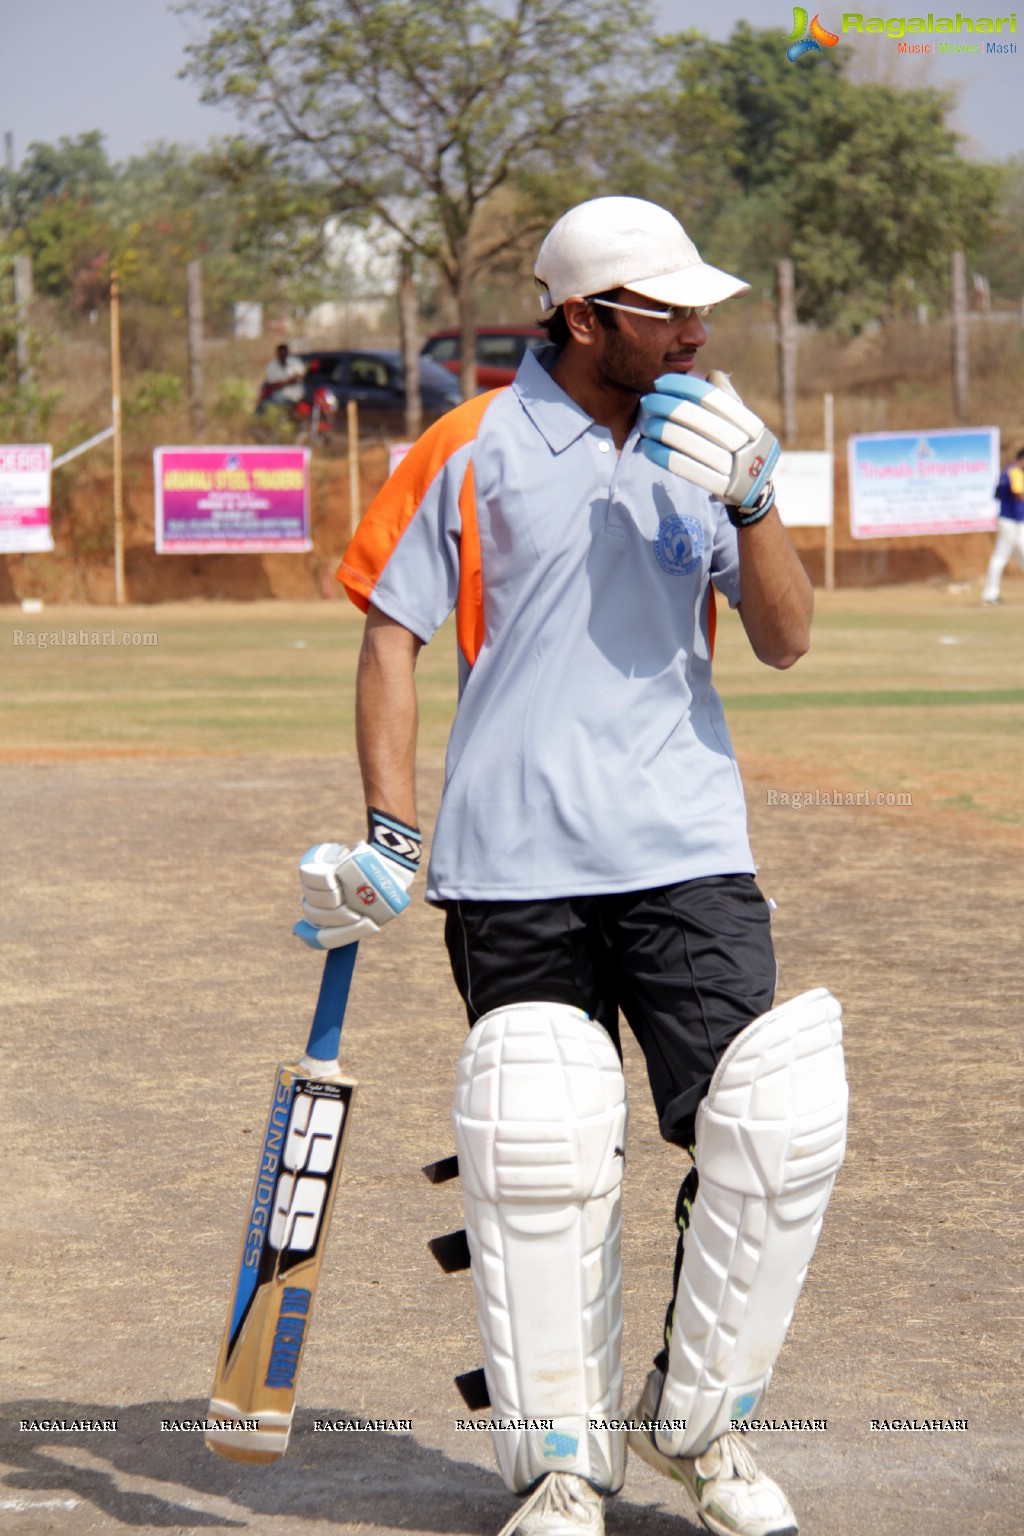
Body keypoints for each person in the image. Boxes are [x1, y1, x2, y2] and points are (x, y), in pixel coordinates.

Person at [294, 197, 848, 1536]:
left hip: (689, 852)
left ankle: (703, 1427)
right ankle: (559, 1459)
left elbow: (783, 639)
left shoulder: (710, 435)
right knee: (540, 1154)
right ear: (586, 317)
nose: (698, 330)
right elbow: (390, 640)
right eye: (667, 311)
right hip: (511, 866)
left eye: (701, 308)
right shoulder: (467, 445)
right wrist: (391, 834)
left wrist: (759, 500)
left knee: (763, 1135)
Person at [982, 446, 1024, 604]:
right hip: (1012, 521)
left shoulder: (1006, 472)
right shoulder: (1015, 472)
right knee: (1000, 557)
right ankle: (990, 595)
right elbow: (1019, 494)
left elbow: (997, 494)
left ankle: (990, 594)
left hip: (1013, 520)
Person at [259, 341, 306, 408]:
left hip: (297, 396)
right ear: (277, 353)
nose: (283, 355)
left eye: (284, 352)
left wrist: (283, 382)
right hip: (279, 398)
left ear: (287, 352)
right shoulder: (271, 366)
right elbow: (273, 385)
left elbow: (299, 377)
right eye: (281, 353)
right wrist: (290, 381)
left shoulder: (295, 362)